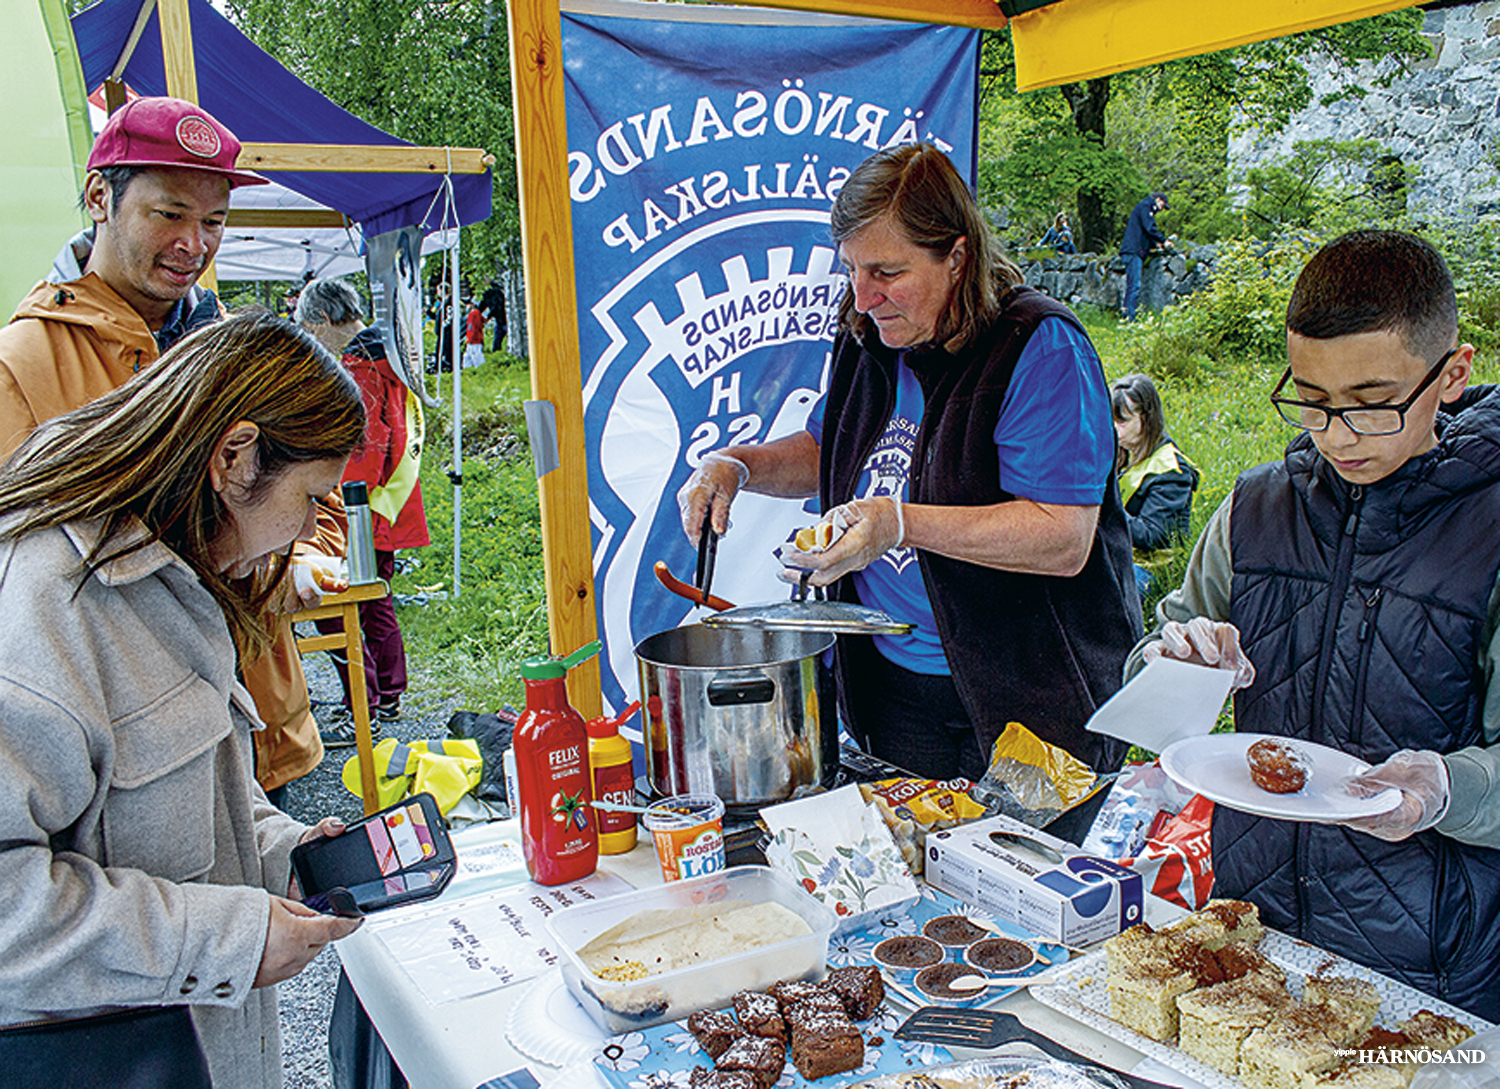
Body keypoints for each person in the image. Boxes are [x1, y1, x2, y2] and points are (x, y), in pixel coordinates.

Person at [678, 143, 1142, 815]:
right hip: (894, 691)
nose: (863, 297)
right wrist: (738, 464)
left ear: (956, 256)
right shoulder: (869, 334)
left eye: (887, 272)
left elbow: (1062, 536)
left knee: (1012, 876)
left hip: (1027, 697)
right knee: (909, 872)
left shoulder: (1037, 346)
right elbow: (832, 448)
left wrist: (898, 523)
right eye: (851, 270)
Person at [1126, 230, 1500, 1020]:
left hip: (1433, 970)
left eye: (1373, 403)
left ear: (1453, 374)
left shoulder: (1489, 534)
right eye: (1312, 399)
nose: (1337, 435)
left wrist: (1445, 788)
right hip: (1252, 928)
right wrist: (1177, 670)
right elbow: (1145, 695)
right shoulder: (1255, 509)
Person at [0, 313, 366, 1086]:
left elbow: (190, 794)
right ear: (234, 456)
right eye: (309, 497)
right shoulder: (44, 607)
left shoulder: (170, 572)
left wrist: (283, 856)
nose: (308, 527)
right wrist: (221, 939)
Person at [0, 96, 340, 807]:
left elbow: (323, 495)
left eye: (213, 221)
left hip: (261, 718)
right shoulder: (21, 363)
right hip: (132, 749)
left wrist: (301, 556)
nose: (194, 242)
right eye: (169, 213)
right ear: (100, 197)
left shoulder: (243, 345)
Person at [297, 278, 430, 733]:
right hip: (385, 508)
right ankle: (386, 695)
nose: (312, 342)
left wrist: (323, 493)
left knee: (340, 607)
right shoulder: (386, 357)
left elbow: (363, 453)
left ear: (322, 320)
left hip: (359, 511)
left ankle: (363, 705)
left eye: (309, 330)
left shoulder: (359, 370)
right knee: (376, 602)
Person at [1110, 373, 1198, 599]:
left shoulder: (1171, 470)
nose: (1114, 429)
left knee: (1106, 597)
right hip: (1118, 554)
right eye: (1111, 420)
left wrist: (1105, 508)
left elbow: (1152, 535)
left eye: (1122, 421)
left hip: (1152, 567)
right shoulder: (1122, 452)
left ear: (1146, 419)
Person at [1120, 192, 1171, 321]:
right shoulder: (1145, 207)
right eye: (1163, 206)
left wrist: (1155, 244)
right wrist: (1163, 241)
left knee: (1131, 285)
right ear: (1158, 200)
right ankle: (1130, 317)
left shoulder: (1144, 208)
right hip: (1134, 251)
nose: (1161, 209)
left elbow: (1145, 233)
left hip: (1132, 251)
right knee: (1134, 286)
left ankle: (1127, 314)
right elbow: (1149, 228)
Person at [481, 276, 509, 353]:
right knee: (497, 341)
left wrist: (488, 316)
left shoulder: (496, 291)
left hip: (505, 319)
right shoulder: (486, 293)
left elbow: (497, 306)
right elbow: (483, 305)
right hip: (499, 321)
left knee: (509, 337)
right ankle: (496, 353)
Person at [463, 300, 486, 369]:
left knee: (478, 360)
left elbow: (473, 328)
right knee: (467, 359)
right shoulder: (476, 314)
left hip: (474, 341)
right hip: (472, 341)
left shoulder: (474, 314)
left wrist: (471, 339)